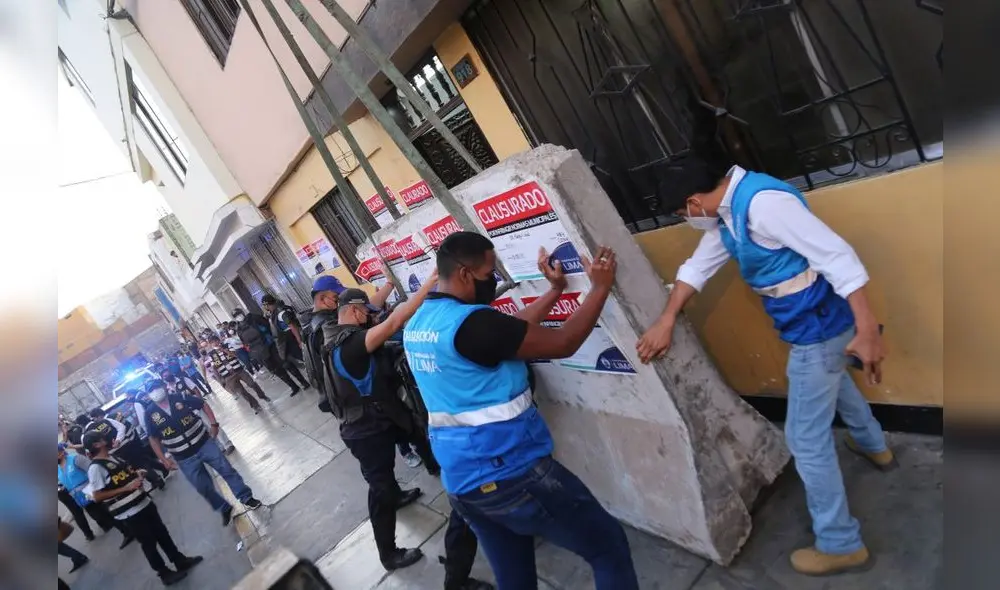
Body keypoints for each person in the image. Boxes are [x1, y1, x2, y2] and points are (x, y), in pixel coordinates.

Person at [634, 156, 894, 576]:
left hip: (819, 327)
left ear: (693, 201)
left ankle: (841, 542)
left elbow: (838, 256)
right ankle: (875, 445)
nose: (687, 220)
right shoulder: (728, 214)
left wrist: (868, 329)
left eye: (683, 214)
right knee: (833, 382)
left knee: (805, 439)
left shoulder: (763, 205)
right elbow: (698, 268)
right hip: (816, 325)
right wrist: (666, 319)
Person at [403, 232, 637, 590]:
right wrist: (599, 288)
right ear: (466, 274)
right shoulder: (471, 324)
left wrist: (555, 291)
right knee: (608, 549)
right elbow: (563, 342)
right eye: (488, 272)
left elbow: (507, 333)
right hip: (514, 474)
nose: (493, 279)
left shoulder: (421, 323)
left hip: (463, 483)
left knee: (515, 580)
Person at [325, 282, 444, 572]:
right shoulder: (351, 344)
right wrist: (430, 281)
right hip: (366, 430)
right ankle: (388, 554)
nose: (369, 315)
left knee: (418, 433)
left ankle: (428, 472)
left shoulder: (335, 335)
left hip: (380, 417)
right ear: (353, 311)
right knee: (379, 489)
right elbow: (395, 321)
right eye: (364, 311)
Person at [83, 430, 204, 585]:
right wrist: (126, 489)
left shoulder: (112, 457)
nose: (107, 437)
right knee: (148, 542)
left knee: (162, 533)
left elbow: (125, 476)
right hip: (129, 512)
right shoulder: (96, 468)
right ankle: (164, 573)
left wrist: (138, 474)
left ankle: (179, 560)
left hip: (143, 502)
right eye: (102, 437)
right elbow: (98, 495)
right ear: (96, 444)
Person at [142, 379, 262, 525]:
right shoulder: (150, 413)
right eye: (151, 390)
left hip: (204, 444)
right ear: (148, 395)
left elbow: (202, 404)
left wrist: (214, 424)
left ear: (163, 387)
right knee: (202, 486)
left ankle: (246, 497)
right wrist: (164, 459)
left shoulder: (180, 397)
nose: (155, 391)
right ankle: (223, 507)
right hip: (184, 457)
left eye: (156, 387)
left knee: (226, 469)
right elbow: (153, 438)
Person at [58, 443, 134, 547]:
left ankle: (128, 530)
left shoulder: (75, 459)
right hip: (82, 499)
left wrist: (94, 487)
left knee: (108, 513)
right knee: (101, 517)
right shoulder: (58, 469)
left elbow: (92, 469)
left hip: (93, 492)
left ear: (61, 453)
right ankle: (127, 530)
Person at [86, 408, 167, 491]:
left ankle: (156, 479)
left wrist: (118, 441)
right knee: (143, 460)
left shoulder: (107, 420)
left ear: (99, 416)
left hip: (125, 445)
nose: (95, 421)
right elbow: (129, 425)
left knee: (138, 464)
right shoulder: (115, 414)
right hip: (133, 440)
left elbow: (122, 429)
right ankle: (161, 469)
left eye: (94, 418)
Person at [235, 307, 310, 395]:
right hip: (260, 352)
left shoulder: (254, 317)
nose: (238, 316)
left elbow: (269, 326)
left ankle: (303, 382)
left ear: (242, 313)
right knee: (276, 370)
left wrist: (273, 339)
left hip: (270, 345)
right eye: (236, 316)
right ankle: (293, 386)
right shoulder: (239, 329)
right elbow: (244, 342)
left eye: (239, 314)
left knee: (286, 364)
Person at [203, 334, 271, 413]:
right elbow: (214, 368)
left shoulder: (227, 345)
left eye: (216, 341)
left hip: (239, 370)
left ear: (218, 340)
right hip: (228, 376)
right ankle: (255, 406)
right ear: (211, 344)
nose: (215, 343)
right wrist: (221, 380)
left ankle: (262, 396)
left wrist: (224, 350)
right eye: (212, 342)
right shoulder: (211, 354)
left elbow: (235, 355)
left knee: (252, 383)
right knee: (242, 392)